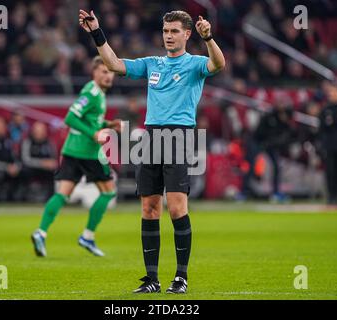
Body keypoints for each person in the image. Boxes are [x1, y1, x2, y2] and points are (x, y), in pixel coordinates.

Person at [79, 9, 225, 293]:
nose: (168, 36)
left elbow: (218, 64)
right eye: (165, 31)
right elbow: (113, 63)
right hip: (151, 137)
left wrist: (209, 38)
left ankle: (181, 278)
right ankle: (152, 280)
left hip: (179, 137)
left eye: (174, 31)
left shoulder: (195, 63)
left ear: (187, 34)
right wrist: (96, 32)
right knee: (149, 208)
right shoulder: (152, 63)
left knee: (177, 207)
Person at [31, 56, 122, 258]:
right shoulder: (91, 93)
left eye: (110, 73)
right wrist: (95, 134)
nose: (108, 76)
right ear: (94, 73)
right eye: (104, 72)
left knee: (63, 194)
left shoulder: (96, 91)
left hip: (71, 150)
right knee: (108, 192)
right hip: (88, 152)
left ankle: (41, 232)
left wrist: (108, 124)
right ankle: (87, 236)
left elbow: (90, 119)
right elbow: (70, 118)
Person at [236, 97, 295, 202]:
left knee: (277, 166)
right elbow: (259, 132)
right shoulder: (269, 117)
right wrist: (265, 143)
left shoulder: (286, 123)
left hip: (270, 145)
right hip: (258, 141)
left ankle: (276, 192)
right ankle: (243, 192)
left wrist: (271, 143)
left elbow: (284, 138)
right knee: (250, 165)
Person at [21, 121, 58, 199]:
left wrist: (52, 163)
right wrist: (42, 163)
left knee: (56, 172)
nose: (39, 133)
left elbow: (54, 158)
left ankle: (53, 196)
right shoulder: (28, 142)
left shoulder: (49, 143)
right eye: (37, 131)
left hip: (46, 170)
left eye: (42, 131)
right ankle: (25, 196)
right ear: (33, 131)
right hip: (31, 168)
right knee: (24, 172)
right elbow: (26, 160)